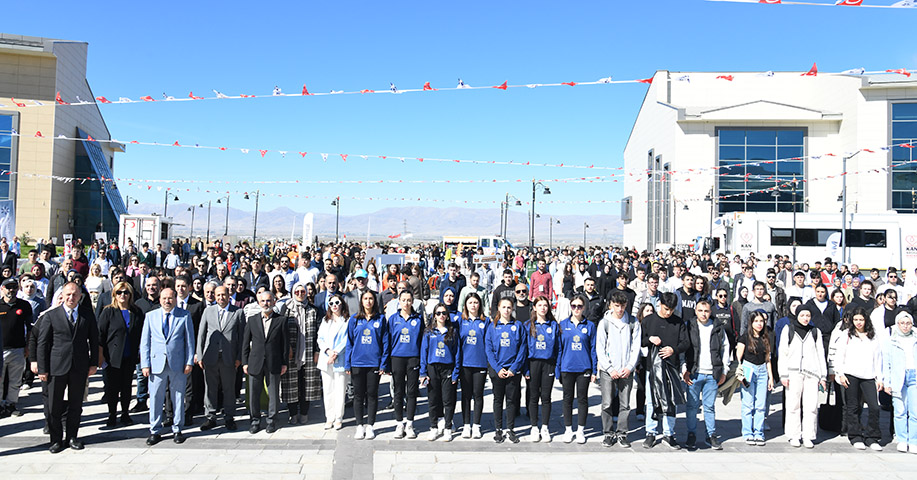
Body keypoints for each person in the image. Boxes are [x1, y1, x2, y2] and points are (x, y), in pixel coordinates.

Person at [37, 282, 99, 453]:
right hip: (56, 366)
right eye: (68, 294)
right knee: (54, 405)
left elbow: (94, 340)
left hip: (79, 366)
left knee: (75, 404)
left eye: (75, 294)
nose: (71, 297)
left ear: (80, 296)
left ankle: (72, 437)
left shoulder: (87, 315)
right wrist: (42, 368)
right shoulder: (51, 315)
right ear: (62, 296)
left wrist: (93, 363)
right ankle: (56, 439)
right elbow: (42, 343)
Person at [141, 288, 195, 446]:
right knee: (156, 398)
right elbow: (145, 342)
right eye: (164, 298)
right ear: (159, 300)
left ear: (175, 299)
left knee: (178, 396)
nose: (167, 301)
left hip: (177, 364)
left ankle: (177, 429)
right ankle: (155, 430)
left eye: (170, 298)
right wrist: (145, 364)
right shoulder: (150, 316)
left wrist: (189, 362)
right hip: (156, 364)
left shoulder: (184, 316)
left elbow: (189, 341)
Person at [642, 292, 688, 450]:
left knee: (671, 400)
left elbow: (685, 343)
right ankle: (651, 432)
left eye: (671, 310)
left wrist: (673, 349)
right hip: (652, 367)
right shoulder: (649, 320)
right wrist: (649, 339)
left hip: (672, 367)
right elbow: (639, 340)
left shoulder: (678, 322)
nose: (668, 312)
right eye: (666, 309)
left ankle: (669, 433)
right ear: (660, 304)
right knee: (652, 400)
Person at [779, 304, 828, 448]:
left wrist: (823, 376)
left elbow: (820, 354)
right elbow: (783, 352)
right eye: (802, 315)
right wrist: (783, 374)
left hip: (812, 373)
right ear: (797, 315)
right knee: (793, 405)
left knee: (811, 406)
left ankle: (808, 435)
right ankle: (794, 435)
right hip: (793, 372)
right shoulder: (789, 329)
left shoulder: (815, 332)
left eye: (808, 315)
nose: (805, 318)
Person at [596, 291, 641, 448]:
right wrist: (609, 368)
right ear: (611, 305)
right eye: (616, 306)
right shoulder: (605, 323)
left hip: (626, 370)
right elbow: (600, 347)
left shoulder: (633, 323)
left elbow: (636, 347)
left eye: (622, 306)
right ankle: (608, 433)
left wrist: (629, 367)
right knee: (607, 403)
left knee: (625, 404)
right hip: (608, 370)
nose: (620, 309)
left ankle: (622, 433)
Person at [196, 286, 245, 431]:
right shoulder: (208, 311)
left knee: (229, 388)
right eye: (218, 295)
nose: (220, 298)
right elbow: (201, 334)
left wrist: (239, 357)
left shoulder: (238, 312)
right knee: (210, 388)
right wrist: (200, 355)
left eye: (223, 295)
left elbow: (242, 337)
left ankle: (229, 417)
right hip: (210, 356)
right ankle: (210, 417)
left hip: (229, 357)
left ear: (229, 295)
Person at [835, 306, 884, 451]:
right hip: (851, 375)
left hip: (869, 376)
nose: (858, 322)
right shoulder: (846, 335)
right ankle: (855, 436)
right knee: (853, 407)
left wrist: (880, 378)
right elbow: (839, 355)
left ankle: (872, 437)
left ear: (866, 320)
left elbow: (878, 358)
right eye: (856, 319)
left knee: (874, 407)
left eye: (861, 319)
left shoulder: (873, 335)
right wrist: (840, 373)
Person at [684, 300, 729, 450]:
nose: (703, 314)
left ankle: (711, 435)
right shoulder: (689, 326)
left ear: (711, 312)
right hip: (694, 373)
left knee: (709, 406)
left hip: (712, 374)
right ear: (695, 311)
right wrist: (684, 370)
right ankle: (691, 434)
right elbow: (683, 349)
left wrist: (724, 371)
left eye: (706, 311)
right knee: (692, 406)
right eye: (700, 310)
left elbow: (725, 349)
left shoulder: (717, 327)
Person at [97, 281, 144, 427]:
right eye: (119, 292)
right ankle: (112, 414)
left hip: (130, 355)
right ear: (114, 295)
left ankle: (125, 413)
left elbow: (141, 333)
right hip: (112, 357)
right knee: (112, 387)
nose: (122, 295)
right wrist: (100, 356)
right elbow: (100, 335)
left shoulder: (136, 312)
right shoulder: (108, 311)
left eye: (125, 292)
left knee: (126, 386)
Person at [242, 290, 289, 434]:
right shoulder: (252, 320)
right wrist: (245, 362)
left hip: (274, 362)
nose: (266, 303)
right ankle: (255, 421)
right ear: (258, 303)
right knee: (254, 394)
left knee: (273, 393)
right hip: (255, 362)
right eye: (263, 301)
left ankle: (271, 420)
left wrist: (284, 363)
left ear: (274, 302)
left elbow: (285, 344)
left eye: (269, 300)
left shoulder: (281, 320)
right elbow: (245, 343)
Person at [345, 290, 389, 440]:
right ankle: (359, 425)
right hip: (357, 363)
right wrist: (347, 364)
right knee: (358, 395)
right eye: (365, 298)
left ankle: (370, 425)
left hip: (374, 363)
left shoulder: (381, 319)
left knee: (372, 394)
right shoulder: (354, 319)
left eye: (371, 298)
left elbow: (385, 342)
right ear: (361, 301)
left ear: (374, 301)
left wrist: (383, 364)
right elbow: (349, 343)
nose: (368, 301)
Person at [557, 294, 598, 444]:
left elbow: (593, 349)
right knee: (567, 399)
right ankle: (568, 429)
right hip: (567, 367)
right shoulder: (563, 324)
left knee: (582, 399)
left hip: (584, 368)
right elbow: (559, 349)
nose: (576, 309)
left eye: (579, 306)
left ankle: (580, 430)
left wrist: (594, 370)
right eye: (574, 306)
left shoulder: (590, 326)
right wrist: (558, 369)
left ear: (584, 307)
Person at [485, 297, 525, 444]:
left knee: (511, 400)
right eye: (504, 307)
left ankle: (510, 429)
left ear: (512, 308)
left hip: (512, 370)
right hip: (498, 370)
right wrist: (497, 368)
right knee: (498, 399)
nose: (506, 310)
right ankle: (498, 429)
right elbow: (489, 349)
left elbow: (522, 348)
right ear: (499, 309)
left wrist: (514, 367)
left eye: (509, 307)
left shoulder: (518, 326)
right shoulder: (493, 326)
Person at [280, 282, 321, 425]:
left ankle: (304, 412)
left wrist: (317, 351)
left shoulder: (313, 310)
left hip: (308, 352)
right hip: (290, 353)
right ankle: (292, 413)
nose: (300, 294)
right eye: (297, 292)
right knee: (291, 384)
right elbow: (281, 330)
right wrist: (286, 348)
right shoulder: (286, 309)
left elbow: (319, 333)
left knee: (306, 384)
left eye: (302, 292)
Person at [420, 303, 462, 442]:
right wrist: (423, 372)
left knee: (448, 399)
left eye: (444, 313)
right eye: (438, 313)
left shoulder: (452, 331)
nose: (441, 316)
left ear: (447, 315)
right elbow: (424, 352)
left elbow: (457, 352)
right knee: (433, 400)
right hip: (433, 367)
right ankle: (434, 427)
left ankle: (448, 428)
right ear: (434, 315)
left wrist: (456, 372)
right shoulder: (429, 332)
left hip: (447, 368)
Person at [523, 295, 559, 443]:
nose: (543, 308)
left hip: (548, 364)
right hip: (533, 363)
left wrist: (557, 367)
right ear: (534, 308)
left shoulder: (553, 325)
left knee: (546, 397)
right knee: (533, 396)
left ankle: (545, 427)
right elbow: (524, 349)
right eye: (540, 305)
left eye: (545, 305)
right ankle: (533, 427)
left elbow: (558, 348)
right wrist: (525, 369)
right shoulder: (528, 325)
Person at [388, 290, 424, 439]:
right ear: (399, 301)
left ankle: (409, 423)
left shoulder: (418, 319)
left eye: (409, 300)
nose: (406, 303)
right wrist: (386, 363)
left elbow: (422, 341)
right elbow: (388, 340)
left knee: (412, 391)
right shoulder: (393, 319)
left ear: (412, 302)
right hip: (397, 358)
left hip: (413, 358)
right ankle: (399, 423)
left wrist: (422, 362)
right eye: (403, 300)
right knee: (398, 391)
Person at [736, 311, 774, 446]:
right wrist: (740, 372)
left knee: (760, 405)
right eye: (756, 321)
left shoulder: (766, 337)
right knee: (748, 404)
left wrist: (771, 377)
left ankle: (759, 432)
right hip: (748, 369)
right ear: (751, 322)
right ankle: (747, 433)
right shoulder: (744, 338)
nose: (759, 324)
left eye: (761, 321)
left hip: (762, 370)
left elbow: (768, 359)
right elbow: (738, 357)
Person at [883, 311, 917, 453]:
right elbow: (886, 363)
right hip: (898, 377)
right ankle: (902, 439)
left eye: (908, 323)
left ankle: (913, 441)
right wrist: (887, 382)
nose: (905, 326)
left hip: (914, 375)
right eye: (902, 323)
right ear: (897, 324)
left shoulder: (915, 338)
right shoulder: (891, 340)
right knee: (900, 410)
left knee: (914, 411)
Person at [1, 278, 33, 417]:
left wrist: (28, 346)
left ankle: (11, 405)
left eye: (14, 287)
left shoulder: (24, 305)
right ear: (2, 289)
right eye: (8, 287)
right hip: (1, 350)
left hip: (18, 349)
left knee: (15, 380)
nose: (11, 290)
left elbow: (30, 329)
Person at [458, 292, 488, 439]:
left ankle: (476, 425)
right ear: (465, 305)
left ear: (480, 304)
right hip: (465, 364)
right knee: (466, 395)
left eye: (476, 302)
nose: (473, 305)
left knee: (478, 395)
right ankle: (466, 425)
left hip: (480, 363)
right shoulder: (461, 321)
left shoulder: (485, 321)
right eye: (470, 303)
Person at [317, 293, 349, 430]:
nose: (334, 306)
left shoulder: (347, 321)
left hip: (340, 358)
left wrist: (335, 353)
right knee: (328, 390)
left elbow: (347, 340)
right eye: (331, 303)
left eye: (337, 303)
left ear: (342, 304)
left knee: (340, 389)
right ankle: (329, 417)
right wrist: (328, 351)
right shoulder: (325, 321)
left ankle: (338, 417)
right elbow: (320, 338)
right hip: (326, 358)